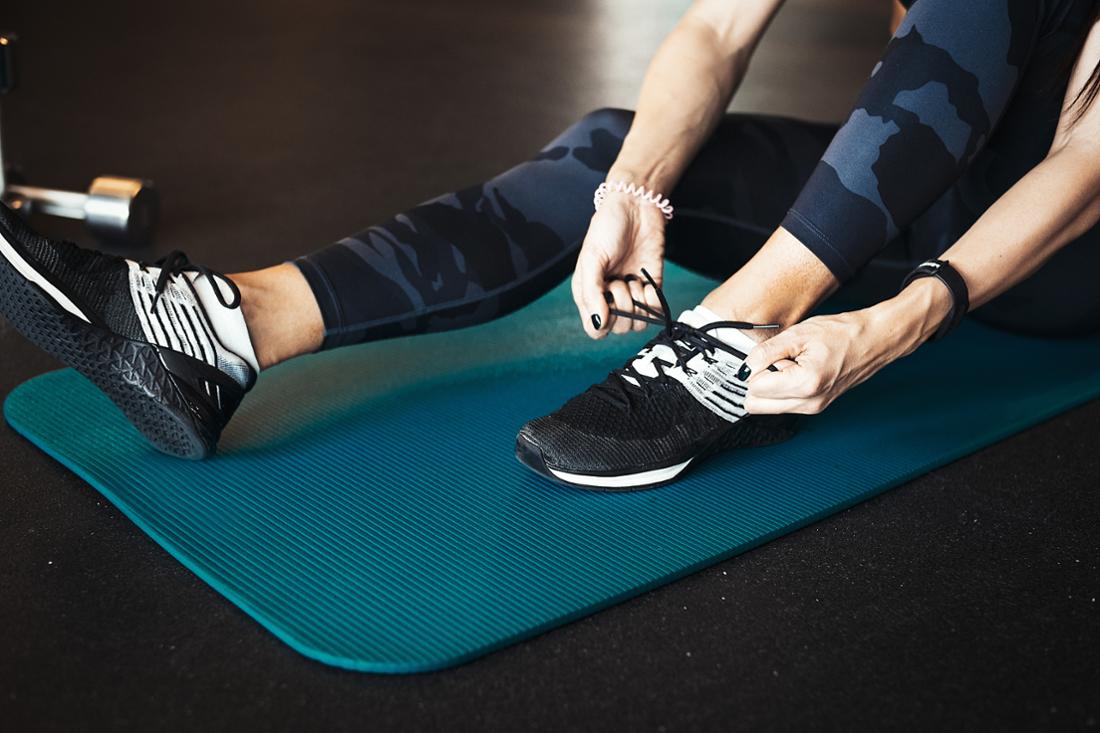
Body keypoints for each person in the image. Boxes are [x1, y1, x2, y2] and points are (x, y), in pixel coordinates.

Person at [1, 0, 1099, 490]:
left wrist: (903, 317)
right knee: (610, 150)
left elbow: (1085, 165)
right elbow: (714, 30)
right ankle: (228, 332)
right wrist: (637, 189)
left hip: (1058, 256)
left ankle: (733, 327)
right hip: (906, 197)